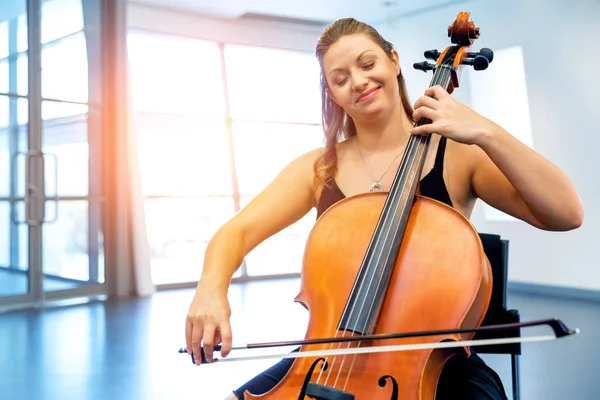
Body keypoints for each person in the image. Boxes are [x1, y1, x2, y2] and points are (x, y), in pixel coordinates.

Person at [185, 17, 584, 400]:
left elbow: (566, 213)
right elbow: (234, 233)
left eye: (368, 64)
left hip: (436, 364)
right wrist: (209, 289)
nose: (358, 82)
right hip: (330, 356)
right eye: (339, 79)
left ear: (394, 61)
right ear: (331, 92)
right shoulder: (319, 168)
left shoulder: (459, 155)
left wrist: (485, 131)